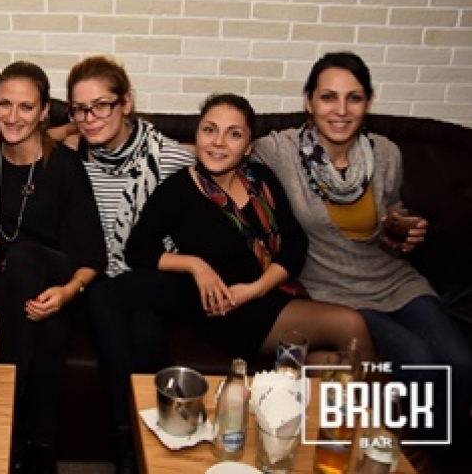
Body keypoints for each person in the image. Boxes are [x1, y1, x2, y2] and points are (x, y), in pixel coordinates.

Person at [252, 51, 472, 467]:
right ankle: (413, 459)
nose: (341, 110)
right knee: (420, 361)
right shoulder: (278, 151)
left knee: (460, 361)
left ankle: (433, 460)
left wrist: (400, 228)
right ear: (308, 101)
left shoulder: (385, 153)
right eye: (328, 97)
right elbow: (225, 146)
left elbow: (390, 214)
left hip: (393, 278)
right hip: (331, 287)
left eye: (353, 98)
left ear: (368, 102)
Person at [124, 93, 375, 364]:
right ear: (197, 136)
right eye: (210, 130)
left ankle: (365, 395)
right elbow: (137, 250)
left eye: (234, 134)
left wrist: (256, 289)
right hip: (231, 313)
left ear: (248, 147)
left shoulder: (261, 179)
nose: (218, 141)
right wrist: (196, 265)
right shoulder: (177, 191)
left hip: (270, 292)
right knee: (350, 325)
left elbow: (295, 244)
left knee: (333, 365)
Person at [62, 55, 196, 473]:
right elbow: (22, 137)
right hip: (97, 278)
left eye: (101, 106)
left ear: (126, 103)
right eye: (80, 109)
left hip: (158, 277)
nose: (90, 119)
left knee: (115, 299)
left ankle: (126, 440)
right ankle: (142, 447)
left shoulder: (170, 159)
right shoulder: (71, 159)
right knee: (139, 323)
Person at [0, 61, 107, 474]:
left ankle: (3, 422)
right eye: (5, 104)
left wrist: (68, 292)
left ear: (43, 112)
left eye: (26, 107)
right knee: (47, 330)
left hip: (62, 281)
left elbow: (94, 257)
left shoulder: (65, 167)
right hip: (14, 289)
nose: (13, 116)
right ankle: (37, 449)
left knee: (24, 256)